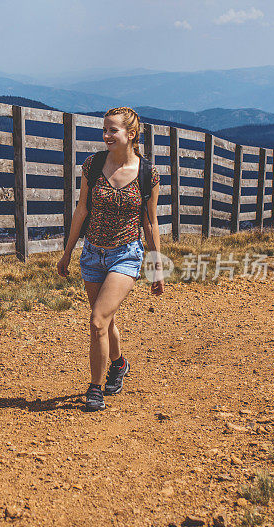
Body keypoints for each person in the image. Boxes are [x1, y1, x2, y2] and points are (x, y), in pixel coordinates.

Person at [56, 107, 165, 412]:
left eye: (112, 130)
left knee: (97, 320)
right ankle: (118, 364)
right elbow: (81, 211)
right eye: (104, 130)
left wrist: (157, 267)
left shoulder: (147, 173)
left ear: (131, 134)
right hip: (92, 254)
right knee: (105, 321)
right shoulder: (92, 166)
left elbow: (150, 223)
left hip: (126, 255)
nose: (106, 136)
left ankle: (94, 388)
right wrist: (67, 253)